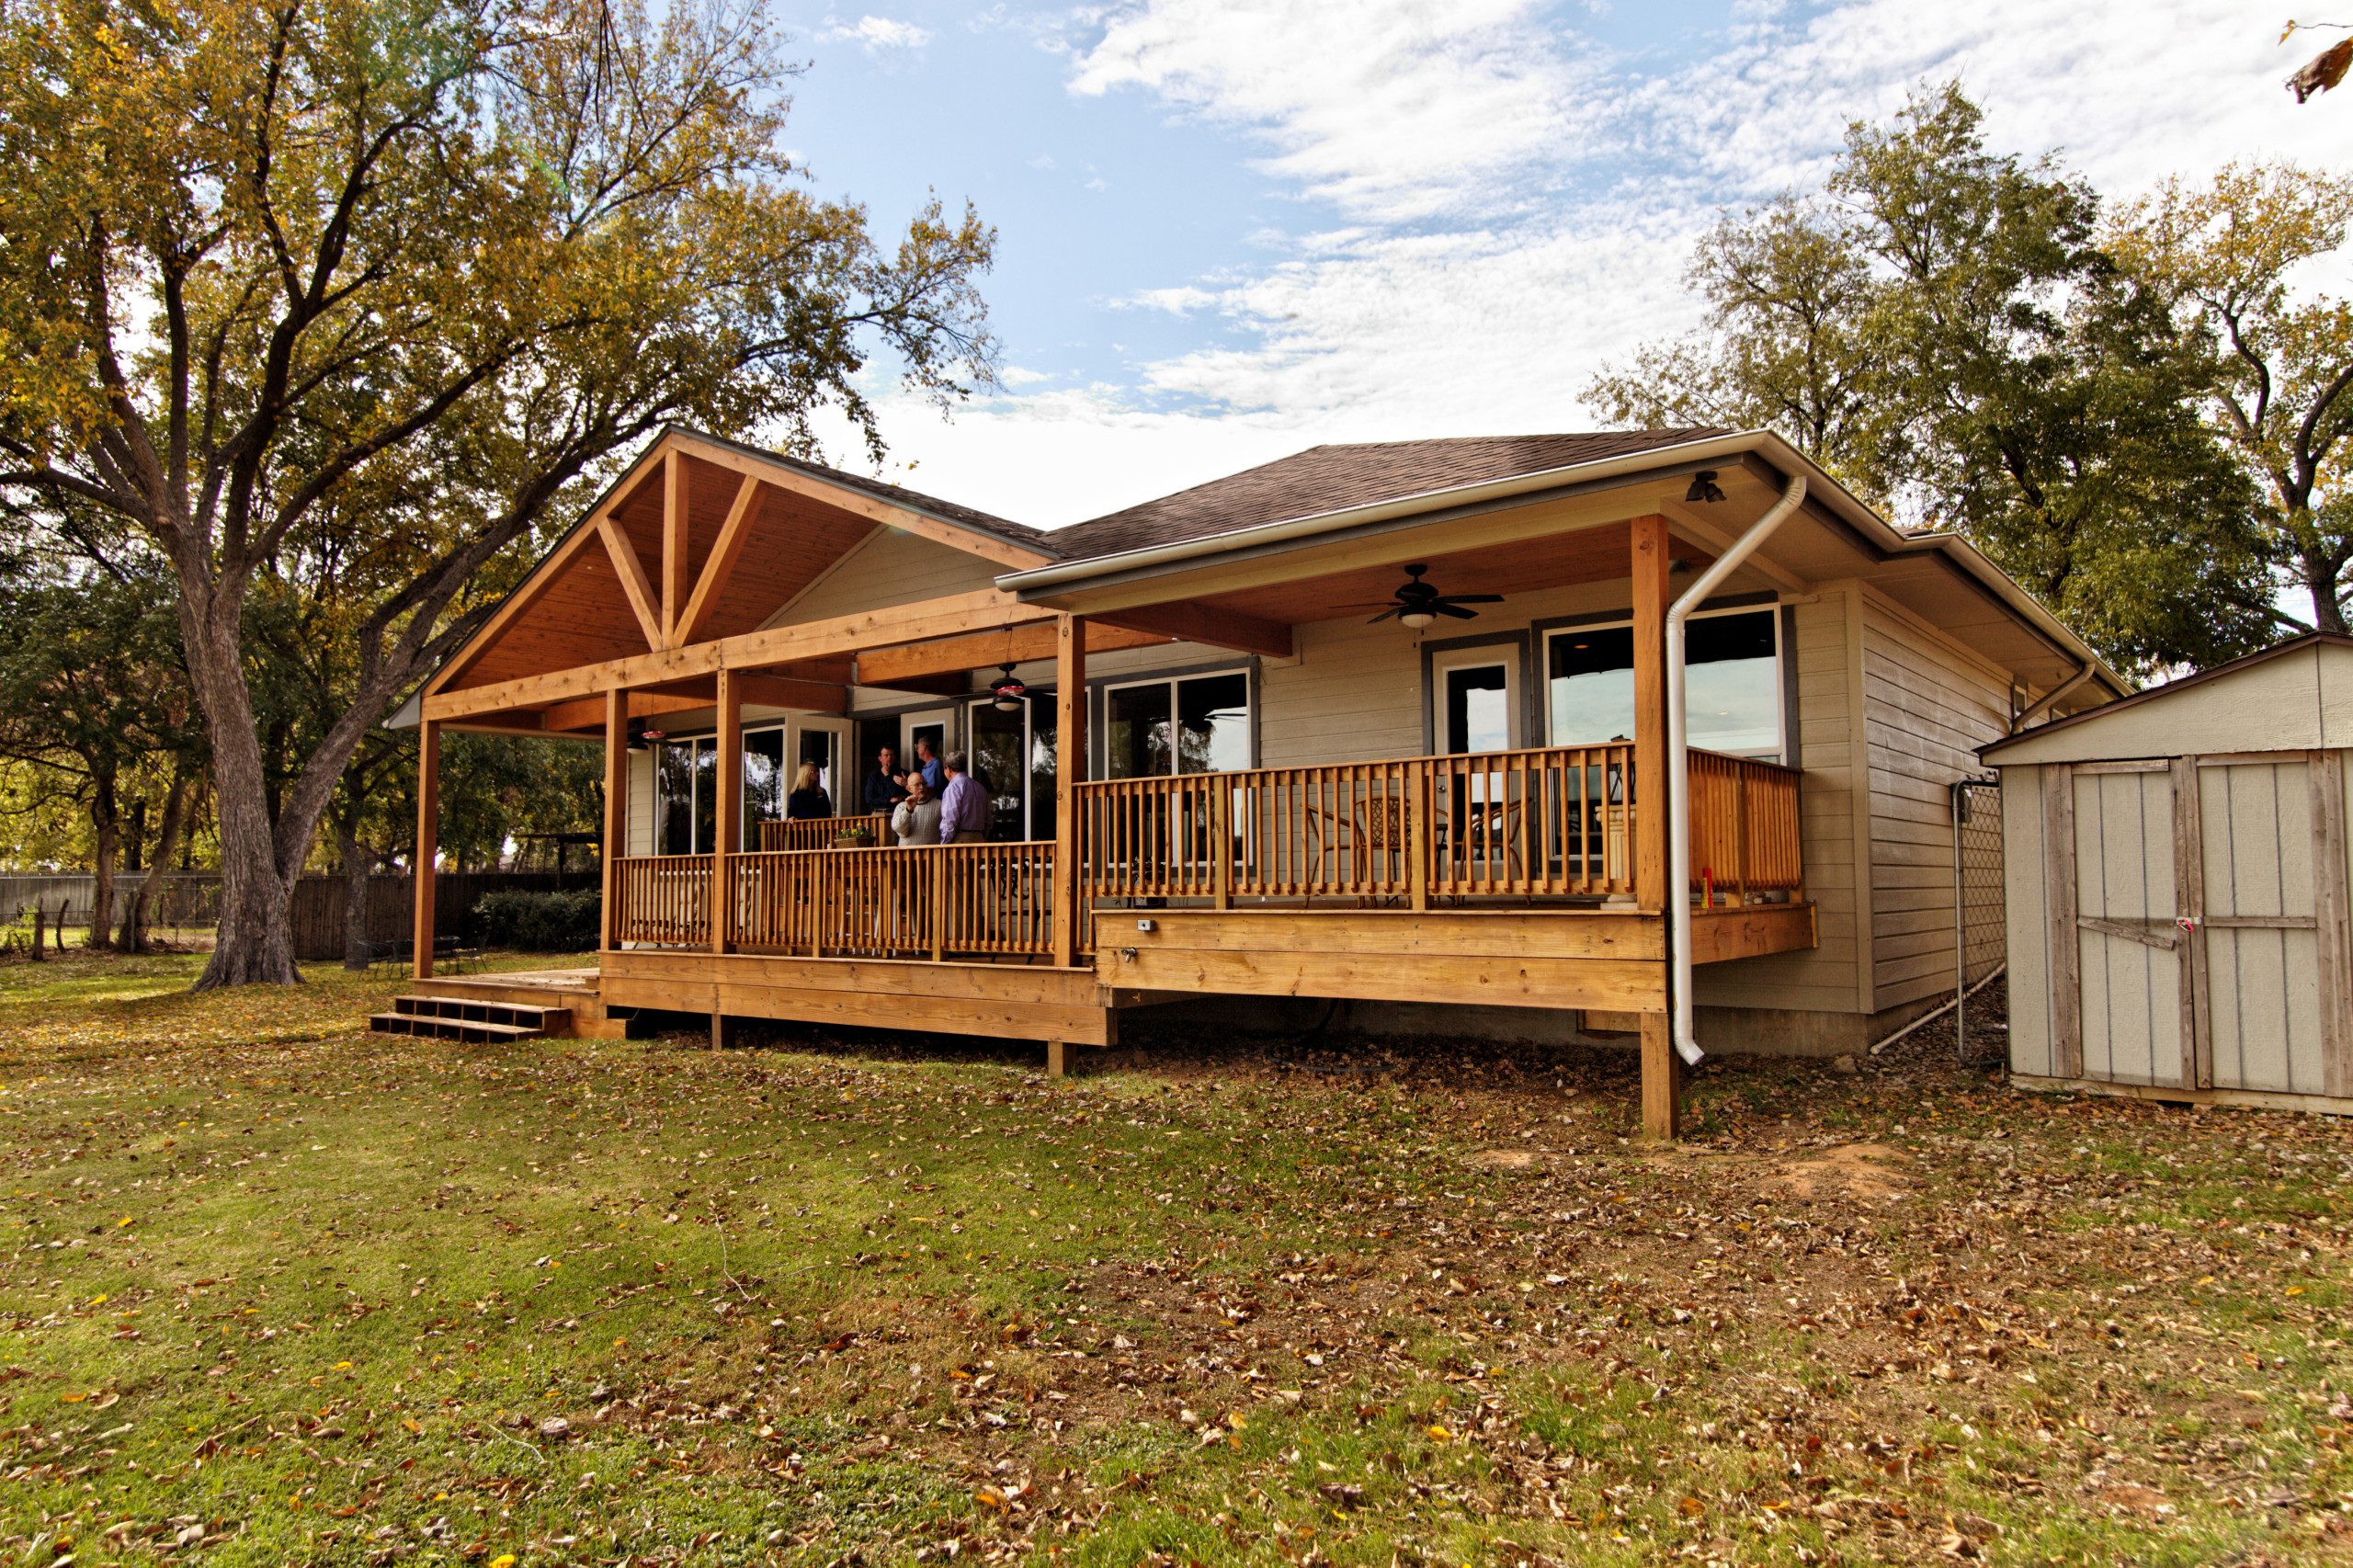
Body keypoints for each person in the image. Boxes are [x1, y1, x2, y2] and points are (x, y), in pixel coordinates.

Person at [938, 749, 991, 844]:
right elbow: (988, 820)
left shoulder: (953, 788)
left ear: (948, 768)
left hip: (960, 840)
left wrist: (944, 844)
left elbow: (950, 821)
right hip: (979, 839)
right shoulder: (980, 788)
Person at [891, 773, 942, 846]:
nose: (921, 787)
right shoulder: (901, 807)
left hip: (932, 854)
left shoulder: (940, 805)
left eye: (923, 784)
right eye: (917, 785)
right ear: (909, 788)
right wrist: (908, 811)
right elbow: (899, 830)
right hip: (908, 855)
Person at [863, 745, 909, 812]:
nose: (889, 757)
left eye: (891, 755)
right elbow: (869, 798)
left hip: (896, 812)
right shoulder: (874, 775)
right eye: (886, 755)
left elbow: (894, 793)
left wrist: (887, 775)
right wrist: (889, 800)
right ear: (880, 758)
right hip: (878, 813)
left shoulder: (902, 774)